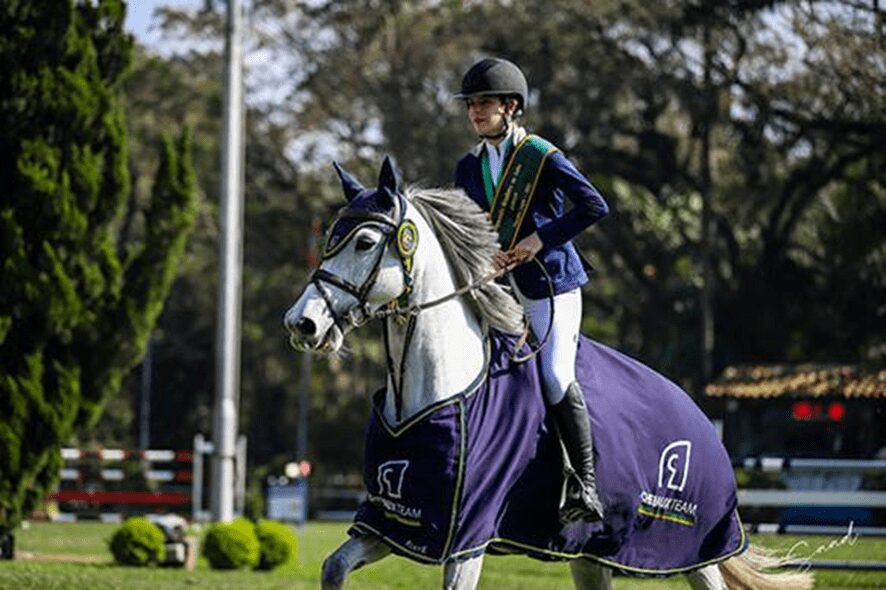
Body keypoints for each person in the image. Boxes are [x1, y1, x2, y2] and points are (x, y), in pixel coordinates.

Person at [453, 57, 609, 523]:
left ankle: (586, 486)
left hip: (550, 285)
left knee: (555, 376)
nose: (475, 112)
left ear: (511, 107)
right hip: (499, 289)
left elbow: (594, 206)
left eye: (485, 103)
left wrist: (538, 239)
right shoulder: (467, 168)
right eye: (471, 105)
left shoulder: (542, 156)